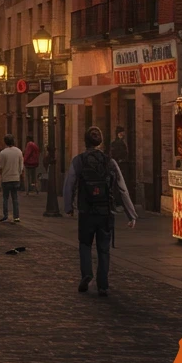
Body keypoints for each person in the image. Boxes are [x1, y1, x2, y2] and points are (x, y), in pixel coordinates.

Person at [63, 125, 137, 296]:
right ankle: (103, 284)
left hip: (86, 210)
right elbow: (122, 188)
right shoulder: (109, 161)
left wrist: (68, 207)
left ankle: (86, 274)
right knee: (104, 248)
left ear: (85, 141)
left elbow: (69, 185)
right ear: (100, 141)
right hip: (105, 211)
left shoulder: (78, 160)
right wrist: (131, 214)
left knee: (85, 244)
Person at [0, 134, 25, 223]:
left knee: (5, 198)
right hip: (16, 178)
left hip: (6, 178)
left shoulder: (3, 153)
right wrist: (19, 174)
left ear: (5, 142)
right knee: (15, 198)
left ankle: (5, 215)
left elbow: (0, 166)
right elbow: (21, 166)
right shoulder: (19, 151)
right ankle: (16, 217)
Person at [109, 127, 129, 213]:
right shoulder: (115, 144)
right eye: (120, 133)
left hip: (121, 167)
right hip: (117, 167)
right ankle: (116, 203)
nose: (122, 135)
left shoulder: (121, 143)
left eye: (123, 133)